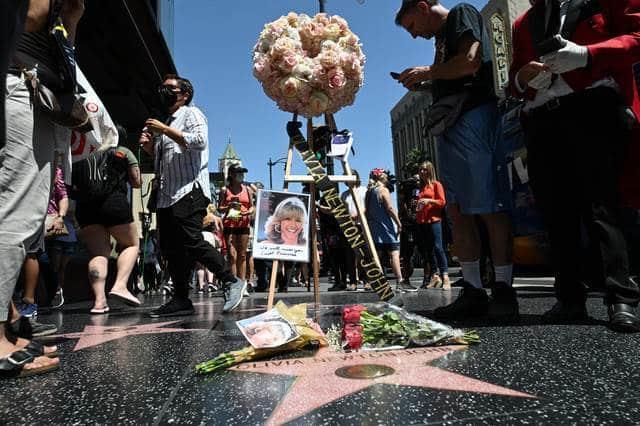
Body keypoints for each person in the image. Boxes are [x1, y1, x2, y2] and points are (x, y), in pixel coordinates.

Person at [509, 0, 640, 331]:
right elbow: (514, 78)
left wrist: (587, 55)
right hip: (542, 119)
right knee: (555, 212)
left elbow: (636, 36)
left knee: (602, 206)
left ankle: (620, 297)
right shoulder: (524, 22)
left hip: (592, 108)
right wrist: (523, 80)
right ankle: (569, 297)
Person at [395, 0, 517, 318]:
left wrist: (429, 71)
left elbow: (470, 62)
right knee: (458, 209)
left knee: (489, 205)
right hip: (453, 123)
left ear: (423, 7)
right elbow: (456, 73)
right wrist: (427, 82)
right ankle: (473, 289)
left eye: (410, 26)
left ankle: (503, 289)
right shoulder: (440, 39)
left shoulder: (461, 14)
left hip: (474, 118)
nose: (412, 35)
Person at [1, 0, 85, 378]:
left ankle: (7, 318)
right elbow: (29, 15)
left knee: (17, 209)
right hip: (17, 81)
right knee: (16, 211)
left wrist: (68, 18)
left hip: (26, 82)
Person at [140, 74, 245, 316]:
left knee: (192, 240)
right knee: (170, 247)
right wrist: (149, 146)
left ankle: (231, 281)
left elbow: (198, 141)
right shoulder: (167, 121)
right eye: (162, 87)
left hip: (189, 190)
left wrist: (163, 129)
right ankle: (180, 298)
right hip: (167, 194)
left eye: (170, 88)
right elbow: (164, 161)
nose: (164, 91)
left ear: (184, 94)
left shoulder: (191, 114)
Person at [74, 139, 142, 314]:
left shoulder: (80, 149)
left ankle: (99, 302)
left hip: (85, 206)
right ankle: (120, 285)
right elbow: (136, 182)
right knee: (131, 244)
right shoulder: (122, 151)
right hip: (114, 203)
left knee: (98, 253)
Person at [365, 169, 415, 292]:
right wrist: (398, 223)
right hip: (386, 227)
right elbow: (390, 208)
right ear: (383, 178)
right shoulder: (383, 190)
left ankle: (377, 282)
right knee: (394, 253)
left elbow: (366, 210)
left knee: (377, 255)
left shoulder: (369, 192)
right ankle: (400, 282)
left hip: (374, 228)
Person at [416, 161, 450, 290]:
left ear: (430, 170)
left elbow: (442, 202)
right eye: (420, 169)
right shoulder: (421, 187)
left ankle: (445, 276)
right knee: (428, 250)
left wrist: (429, 200)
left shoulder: (436, 185)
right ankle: (435, 276)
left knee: (438, 247)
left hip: (435, 220)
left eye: (424, 169)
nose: (422, 172)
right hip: (422, 221)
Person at [218, 164, 255, 285]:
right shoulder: (225, 190)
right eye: (238, 173)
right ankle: (234, 282)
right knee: (232, 255)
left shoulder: (247, 189)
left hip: (243, 223)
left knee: (243, 254)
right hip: (230, 224)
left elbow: (252, 206)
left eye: (242, 173)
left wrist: (249, 212)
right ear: (232, 175)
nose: (241, 175)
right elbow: (220, 208)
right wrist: (228, 206)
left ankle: (242, 282)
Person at [340, 170, 367, 290]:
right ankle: (352, 281)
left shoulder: (364, 190)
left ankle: (366, 280)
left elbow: (367, 207)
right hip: (349, 227)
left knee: (364, 254)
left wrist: (357, 215)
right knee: (350, 255)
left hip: (362, 225)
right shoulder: (344, 194)